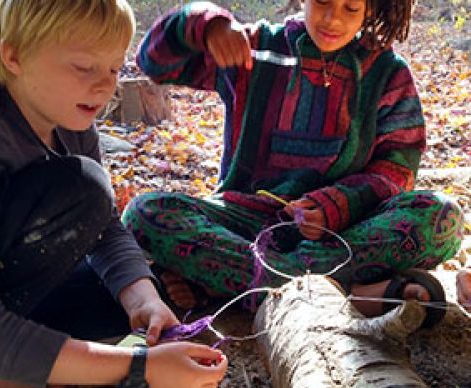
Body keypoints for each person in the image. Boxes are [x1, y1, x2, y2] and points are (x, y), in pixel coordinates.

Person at [0, 1, 227, 388]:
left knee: (118, 294)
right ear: (14, 55)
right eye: (83, 67)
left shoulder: (65, 117)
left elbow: (102, 228)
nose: (105, 85)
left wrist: (143, 299)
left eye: (113, 67)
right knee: (84, 189)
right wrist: (138, 369)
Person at [122, 0, 465, 319]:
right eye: (323, 2)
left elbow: (399, 167)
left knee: (443, 219)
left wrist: (339, 204)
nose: (333, 19)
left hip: (344, 233)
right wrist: (203, 22)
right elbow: (154, 63)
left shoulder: (387, 72)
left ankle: (234, 282)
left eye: (351, 7)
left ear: (371, 7)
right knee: (144, 212)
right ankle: (353, 291)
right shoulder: (254, 49)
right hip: (245, 222)